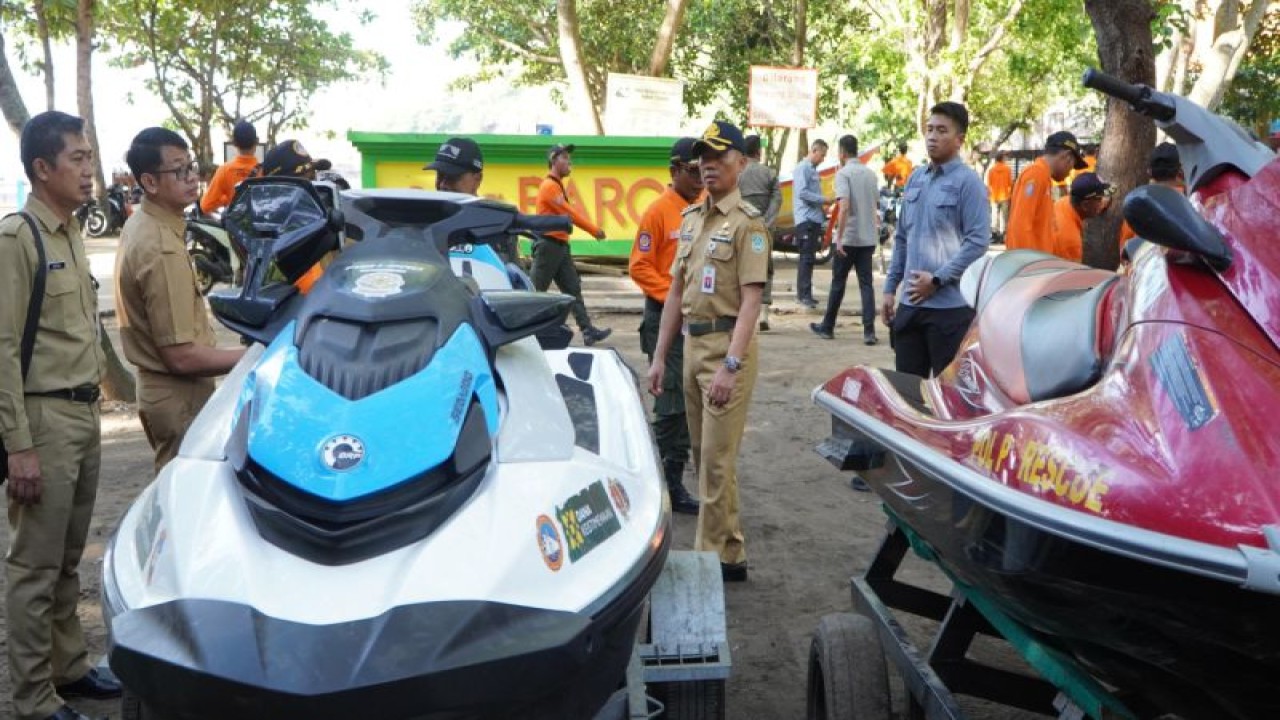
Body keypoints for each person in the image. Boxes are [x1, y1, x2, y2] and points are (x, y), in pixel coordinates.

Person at [0, 110, 120, 720]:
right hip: (43, 421)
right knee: (34, 565)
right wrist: (17, 444)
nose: (88, 168)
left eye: (88, 157)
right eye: (76, 158)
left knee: (69, 555)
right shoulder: (17, 238)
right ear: (42, 168)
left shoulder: (70, 232)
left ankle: (67, 669)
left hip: (83, 413)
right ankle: (31, 699)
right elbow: (0, 347)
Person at [647, 120, 768, 583]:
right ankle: (731, 551)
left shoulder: (748, 225)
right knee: (705, 457)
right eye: (703, 157)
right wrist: (660, 357)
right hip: (692, 346)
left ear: (741, 161)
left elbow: (752, 300)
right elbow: (675, 293)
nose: (708, 164)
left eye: (719, 156)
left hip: (726, 351)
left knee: (716, 462)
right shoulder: (691, 220)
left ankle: (704, 563)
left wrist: (731, 367)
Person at [116, 127, 248, 474]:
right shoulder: (160, 247)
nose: (192, 178)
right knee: (185, 496)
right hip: (178, 397)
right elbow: (182, 356)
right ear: (149, 181)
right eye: (179, 171)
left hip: (169, 392)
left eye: (191, 167)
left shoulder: (146, 222)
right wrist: (255, 357)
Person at [882, 102, 991, 378]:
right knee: (909, 392)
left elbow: (978, 242)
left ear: (959, 140)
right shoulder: (916, 178)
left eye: (942, 130)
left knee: (948, 396)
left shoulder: (969, 184)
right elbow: (903, 238)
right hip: (911, 307)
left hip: (949, 311)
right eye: (929, 129)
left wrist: (938, 280)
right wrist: (890, 287)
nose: (932, 136)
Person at [628, 138, 703, 515]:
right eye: (693, 171)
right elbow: (640, 265)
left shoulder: (705, 207)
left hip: (698, 322)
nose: (700, 177)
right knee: (670, 404)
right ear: (674, 171)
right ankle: (656, 482)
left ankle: (670, 480)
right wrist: (674, 299)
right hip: (665, 319)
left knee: (688, 402)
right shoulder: (659, 212)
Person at [531, 143, 612, 346]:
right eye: (565, 158)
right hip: (548, 246)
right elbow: (570, 214)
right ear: (553, 160)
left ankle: (587, 330)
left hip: (559, 245)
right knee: (534, 291)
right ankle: (524, 332)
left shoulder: (556, 186)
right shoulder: (549, 186)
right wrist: (594, 230)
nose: (570, 162)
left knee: (573, 289)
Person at [810, 134, 879, 345]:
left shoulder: (843, 174)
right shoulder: (871, 175)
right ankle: (869, 331)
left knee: (838, 282)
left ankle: (828, 326)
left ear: (842, 153)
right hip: (868, 238)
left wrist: (837, 239)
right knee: (866, 284)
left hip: (849, 238)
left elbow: (845, 206)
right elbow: (875, 206)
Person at [1005, 131, 1086, 253]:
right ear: (1067, 156)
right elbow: (1020, 225)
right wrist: (1026, 264)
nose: (1070, 172)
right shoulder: (1036, 174)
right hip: (1029, 265)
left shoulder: (1043, 176)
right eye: (1073, 165)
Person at [738, 134, 781, 330]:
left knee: (739, 268)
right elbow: (777, 199)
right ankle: (763, 315)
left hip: (741, 228)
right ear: (759, 152)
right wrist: (766, 222)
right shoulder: (769, 173)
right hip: (764, 229)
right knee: (765, 269)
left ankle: (742, 314)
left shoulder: (736, 174)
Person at [1118, 142, 1184, 248]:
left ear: (1149, 172)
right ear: (1181, 172)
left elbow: (1125, 250)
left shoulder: (1136, 204)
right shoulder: (1192, 202)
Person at [791, 139, 832, 308]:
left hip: (814, 219)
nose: (823, 159)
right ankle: (803, 295)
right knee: (806, 258)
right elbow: (802, 193)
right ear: (814, 151)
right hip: (806, 219)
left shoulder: (812, 170)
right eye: (822, 155)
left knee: (810, 258)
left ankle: (806, 293)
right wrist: (823, 199)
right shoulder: (803, 168)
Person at [199, 119, 259, 215]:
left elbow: (205, 206)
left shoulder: (224, 170)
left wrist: (227, 199)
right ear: (257, 141)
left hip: (235, 227)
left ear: (234, 143)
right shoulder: (266, 170)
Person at [1052, 172, 1113, 263]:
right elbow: (1072, 275)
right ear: (1085, 205)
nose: (1102, 201)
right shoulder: (1071, 243)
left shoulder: (1065, 202)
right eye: (1099, 199)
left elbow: (1111, 190)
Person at [986, 151, 1012, 242]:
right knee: (1003, 216)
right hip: (1004, 195)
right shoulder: (1007, 169)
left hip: (994, 196)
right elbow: (1010, 184)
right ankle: (1002, 234)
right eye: (1005, 157)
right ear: (1002, 158)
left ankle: (994, 234)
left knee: (994, 215)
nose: (1006, 159)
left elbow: (989, 184)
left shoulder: (991, 170)